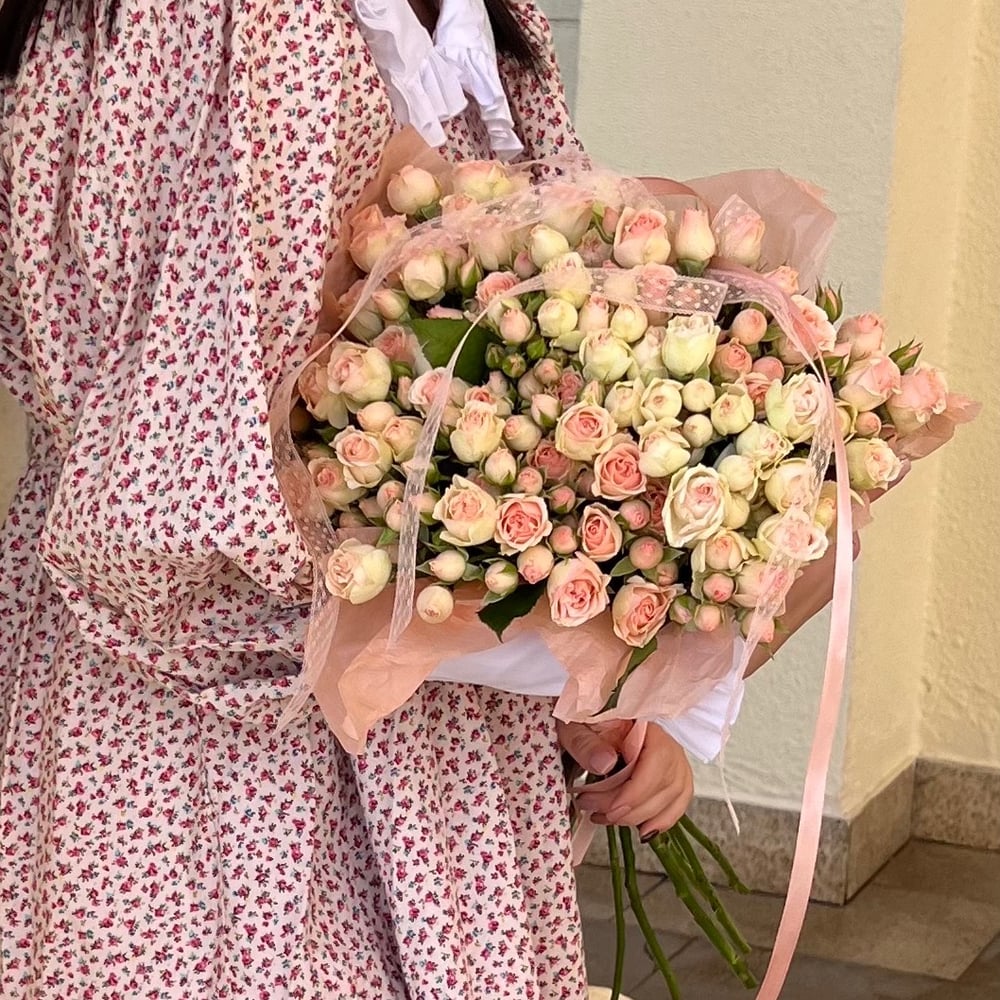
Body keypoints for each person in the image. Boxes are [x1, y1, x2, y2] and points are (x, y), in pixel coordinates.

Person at [0, 2, 702, 997]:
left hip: (426, 730)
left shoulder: (485, 23)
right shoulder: (212, 25)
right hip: (215, 745)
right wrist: (556, 660)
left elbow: (518, 367)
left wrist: (599, 670)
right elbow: (180, 500)